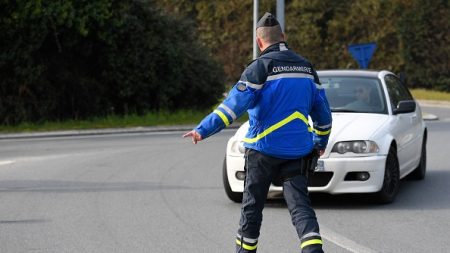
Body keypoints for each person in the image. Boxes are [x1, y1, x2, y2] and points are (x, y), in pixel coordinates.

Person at [183, 12, 332, 253]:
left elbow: (231, 109)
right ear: (283, 37)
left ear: (259, 41)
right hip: (298, 151)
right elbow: (323, 112)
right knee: (300, 207)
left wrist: (202, 130)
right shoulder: (306, 68)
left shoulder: (259, 67)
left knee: (252, 208)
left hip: (262, 151)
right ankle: (313, 250)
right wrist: (321, 139)